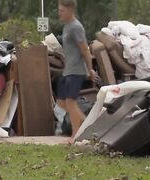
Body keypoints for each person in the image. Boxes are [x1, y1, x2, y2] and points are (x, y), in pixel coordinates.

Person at [57, 0, 98, 144]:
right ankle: (87, 124)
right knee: (61, 102)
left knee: (71, 102)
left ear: (70, 11)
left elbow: (85, 50)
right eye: (59, 10)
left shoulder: (76, 27)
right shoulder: (67, 27)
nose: (59, 13)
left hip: (77, 71)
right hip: (67, 70)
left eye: (62, 11)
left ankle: (76, 135)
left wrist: (90, 69)